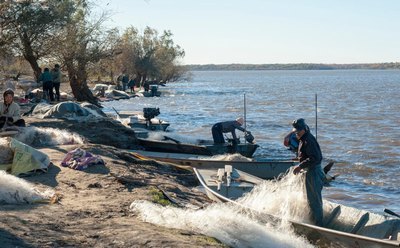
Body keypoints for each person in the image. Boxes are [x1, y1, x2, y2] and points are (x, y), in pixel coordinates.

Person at [292, 118, 324, 226]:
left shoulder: (308, 140)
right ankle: (314, 221)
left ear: (304, 129)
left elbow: (315, 158)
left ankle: (319, 225)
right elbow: (307, 155)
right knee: (310, 199)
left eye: (299, 130)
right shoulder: (303, 138)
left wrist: (300, 166)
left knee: (315, 201)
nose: (297, 132)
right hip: (310, 171)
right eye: (296, 130)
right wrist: (299, 159)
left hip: (314, 172)